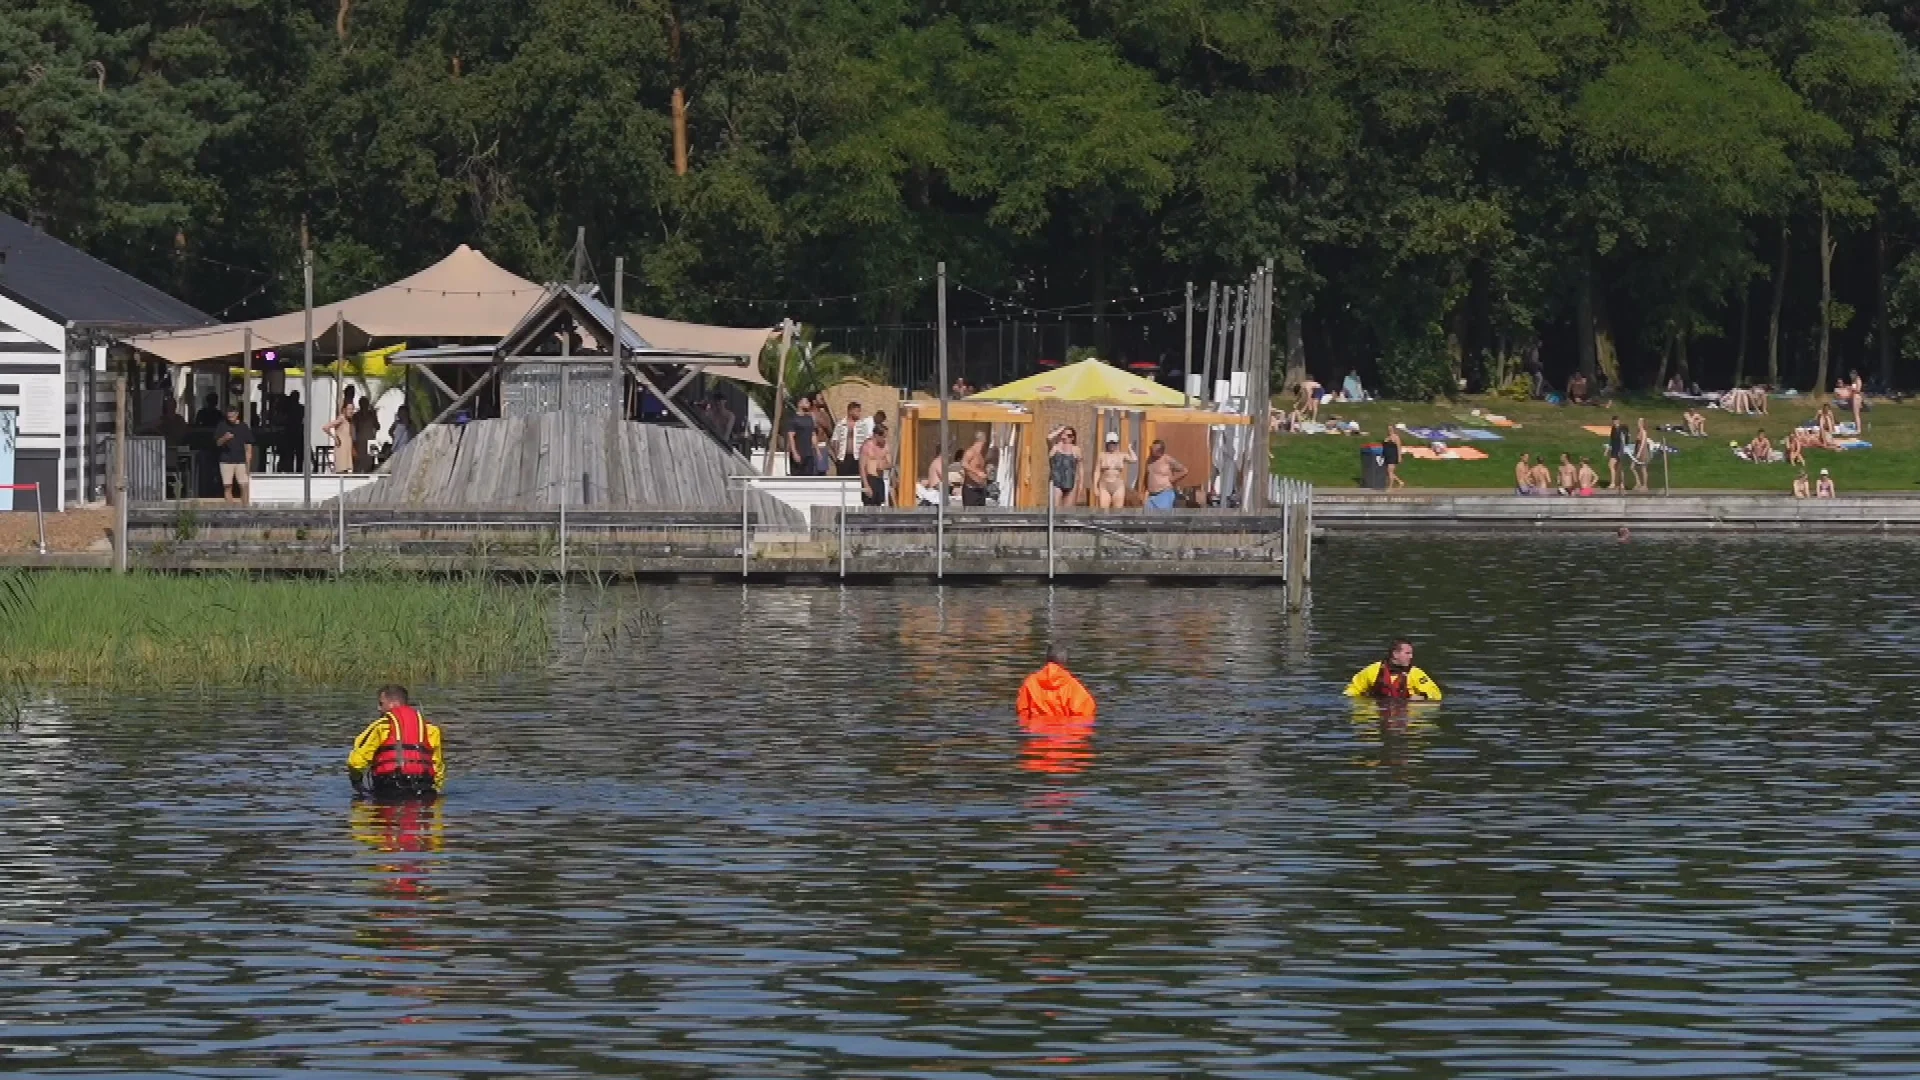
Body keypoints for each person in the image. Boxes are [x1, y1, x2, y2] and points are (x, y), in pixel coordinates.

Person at [347, 685, 445, 800]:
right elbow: (438, 768)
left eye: (381, 703)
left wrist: (356, 781)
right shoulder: (431, 730)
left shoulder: (381, 726)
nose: (378, 708)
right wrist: (436, 789)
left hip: (390, 791)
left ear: (392, 704)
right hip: (425, 791)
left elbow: (355, 762)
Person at [1344, 639, 1442, 701]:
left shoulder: (1415, 673)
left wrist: (1423, 697)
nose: (1411, 656)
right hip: (1378, 711)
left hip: (1404, 713)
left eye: (1411, 653)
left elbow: (1436, 694)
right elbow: (1353, 689)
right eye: (1407, 653)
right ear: (1395, 654)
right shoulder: (1373, 670)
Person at [1017, 645, 1096, 719]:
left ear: (1046, 659)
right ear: (1065, 662)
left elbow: (1023, 713)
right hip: (1064, 731)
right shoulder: (1076, 689)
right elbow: (1084, 717)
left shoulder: (1030, 682)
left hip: (1036, 730)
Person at [213, 404, 253, 506]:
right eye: (228, 416)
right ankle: (230, 510)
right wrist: (224, 438)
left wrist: (248, 459)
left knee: (243, 485)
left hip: (240, 460)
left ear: (237, 415)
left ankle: (245, 508)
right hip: (226, 460)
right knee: (227, 486)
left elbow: (249, 443)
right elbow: (217, 443)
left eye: (232, 416)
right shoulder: (222, 425)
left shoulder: (243, 426)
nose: (230, 419)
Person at [1143, 440, 1189, 509]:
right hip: (1151, 496)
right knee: (1149, 518)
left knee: (1162, 517)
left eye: (1155, 449)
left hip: (1164, 494)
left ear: (1161, 450)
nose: (1152, 450)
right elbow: (1147, 476)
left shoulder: (1167, 459)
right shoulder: (1149, 460)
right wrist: (1145, 493)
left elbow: (1184, 470)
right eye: (1151, 448)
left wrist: (1173, 479)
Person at [1094, 431, 1135, 509]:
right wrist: (1095, 487)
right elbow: (1097, 471)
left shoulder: (1122, 455)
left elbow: (1134, 459)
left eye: (1114, 443)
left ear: (1117, 443)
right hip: (1104, 485)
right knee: (1103, 511)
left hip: (1118, 486)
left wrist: (1130, 449)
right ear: (1107, 443)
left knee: (1117, 511)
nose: (1112, 445)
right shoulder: (1102, 455)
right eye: (1110, 443)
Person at [831, 401, 872, 478]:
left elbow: (867, 440)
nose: (859, 413)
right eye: (857, 411)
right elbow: (835, 440)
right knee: (842, 480)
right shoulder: (841, 424)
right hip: (843, 457)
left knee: (857, 479)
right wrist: (837, 456)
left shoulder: (862, 424)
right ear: (850, 411)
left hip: (857, 457)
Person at [1049, 426, 1082, 507]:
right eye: (1065, 434)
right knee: (1055, 509)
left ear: (1073, 438)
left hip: (1071, 482)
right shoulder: (1055, 448)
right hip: (1057, 482)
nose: (1067, 437)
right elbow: (1049, 438)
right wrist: (1060, 430)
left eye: (1069, 435)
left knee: (1067, 512)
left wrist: (1081, 484)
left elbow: (1081, 469)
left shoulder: (1076, 450)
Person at [860, 424, 892, 506]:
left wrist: (884, 466)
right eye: (883, 437)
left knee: (879, 507)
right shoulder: (867, 446)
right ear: (876, 435)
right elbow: (862, 467)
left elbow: (890, 464)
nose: (884, 439)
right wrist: (866, 485)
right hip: (870, 478)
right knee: (868, 507)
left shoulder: (885, 446)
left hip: (879, 479)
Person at [785, 397, 816, 476]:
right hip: (799, 453)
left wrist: (817, 451)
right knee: (797, 479)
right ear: (799, 404)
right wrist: (794, 453)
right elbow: (791, 437)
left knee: (809, 478)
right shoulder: (793, 419)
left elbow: (813, 435)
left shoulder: (809, 419)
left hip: (809, 455)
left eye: (808, 402)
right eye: (806, 402)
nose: (808, 404)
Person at [325, 399, 357, 474]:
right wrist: (334, 437)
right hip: (341, 450)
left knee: (346, 472)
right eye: (349, 409)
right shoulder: (341, 418)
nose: (351, 411)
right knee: (341, 472)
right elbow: (326, 427)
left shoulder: (348, 420)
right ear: (344, 409)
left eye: (352, 409)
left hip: (347, 451)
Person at [960, 430, 990, 506]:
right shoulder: (970, 452)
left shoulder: (981, 454)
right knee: (970, 516)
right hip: (971, 489)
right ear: (982, 441)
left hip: (981, 489)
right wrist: (977, 472)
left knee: (981, 515)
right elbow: (963, 463)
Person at [1607, 416, 1629, 490]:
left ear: (1618, 421)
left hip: (1619, 449)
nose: (1614, 422)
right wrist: (1607, 449)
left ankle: (1614, 483)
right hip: (1614, 449)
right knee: (1617, 467)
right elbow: (1611, 440)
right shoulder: (1613, 429)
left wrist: (1621, 451)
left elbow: (1623, 441)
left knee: (1612, 465)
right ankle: (1620, 483)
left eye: (1615, 421)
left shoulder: (1622, 429)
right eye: (1613, 421)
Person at [1632, 418, 1652, 490]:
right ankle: (1638, 483)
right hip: (1637, 451)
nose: (1638, 423)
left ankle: (1645, 485)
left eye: (1639, 422)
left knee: (1643, 469)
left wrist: (1639, 453)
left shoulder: (1644, 432)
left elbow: (1643, 443)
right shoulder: (1638, 431)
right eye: (1638, 422)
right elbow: (1637, 443)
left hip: (1643, 453)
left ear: (1642, 423)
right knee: (1632, 467)